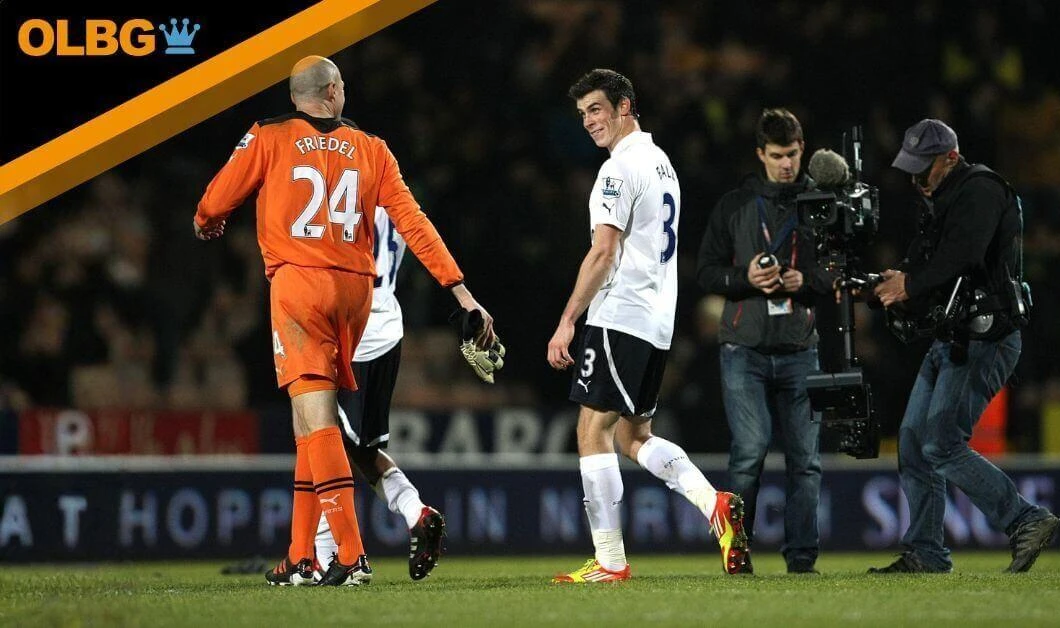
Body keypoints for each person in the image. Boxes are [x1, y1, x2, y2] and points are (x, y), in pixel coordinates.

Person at [194, 55, 494, 586]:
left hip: (299, 289)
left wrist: (206, 223)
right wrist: (461, 292)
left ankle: (349, 557)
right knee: (307, 427)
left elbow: (215, 200)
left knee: (318, 423)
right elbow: (414, 224)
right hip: (357, 294)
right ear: (332, 91)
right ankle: (299, 557)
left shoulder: (269, 134)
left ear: (297, 97)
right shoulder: (373, 149)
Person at [546, 68, 747, 583]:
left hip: (621, 314)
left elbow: (604, 250)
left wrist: (568, 320)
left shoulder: (619, 170)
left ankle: (610, 560)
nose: (589, 122)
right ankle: (714, 503)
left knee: (592, 429)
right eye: (583, 113)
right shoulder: (661, 163)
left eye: (596, 109)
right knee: (635, 436)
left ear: (624, 106)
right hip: (658, 319)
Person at [869, 119, 1060, 574]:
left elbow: (964, 256)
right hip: (952, 337)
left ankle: (1024, 519)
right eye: (911, 169)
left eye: (925, 168)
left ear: (951, 158)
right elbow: (925, 263)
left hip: (988, 338)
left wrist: (909, 285)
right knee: (914, 443)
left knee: (940, 443)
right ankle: (927, 553)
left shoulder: (981, 189)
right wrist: (884, 285)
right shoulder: (941, 199)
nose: (917, 179)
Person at [695, 108, 835, 574]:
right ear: (760, 154)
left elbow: (835, 272)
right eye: (776, 156)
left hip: (800, 348)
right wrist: (745, 276)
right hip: (744, 350)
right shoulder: (735, 205)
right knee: (749, 454)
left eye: (793, 154)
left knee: (806, 461)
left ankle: (802, 561)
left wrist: (805, 280)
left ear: (803, 150)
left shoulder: (818, 205)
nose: (786, 165)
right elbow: (705, 272)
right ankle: (736, 555)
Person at [306, 205, 446, 582]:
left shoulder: (342, 193)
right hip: (388, 326)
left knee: (322, 435)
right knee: (360, 449)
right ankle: (416, 511)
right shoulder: (399, 203)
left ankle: (330, 554)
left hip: (352, 323)